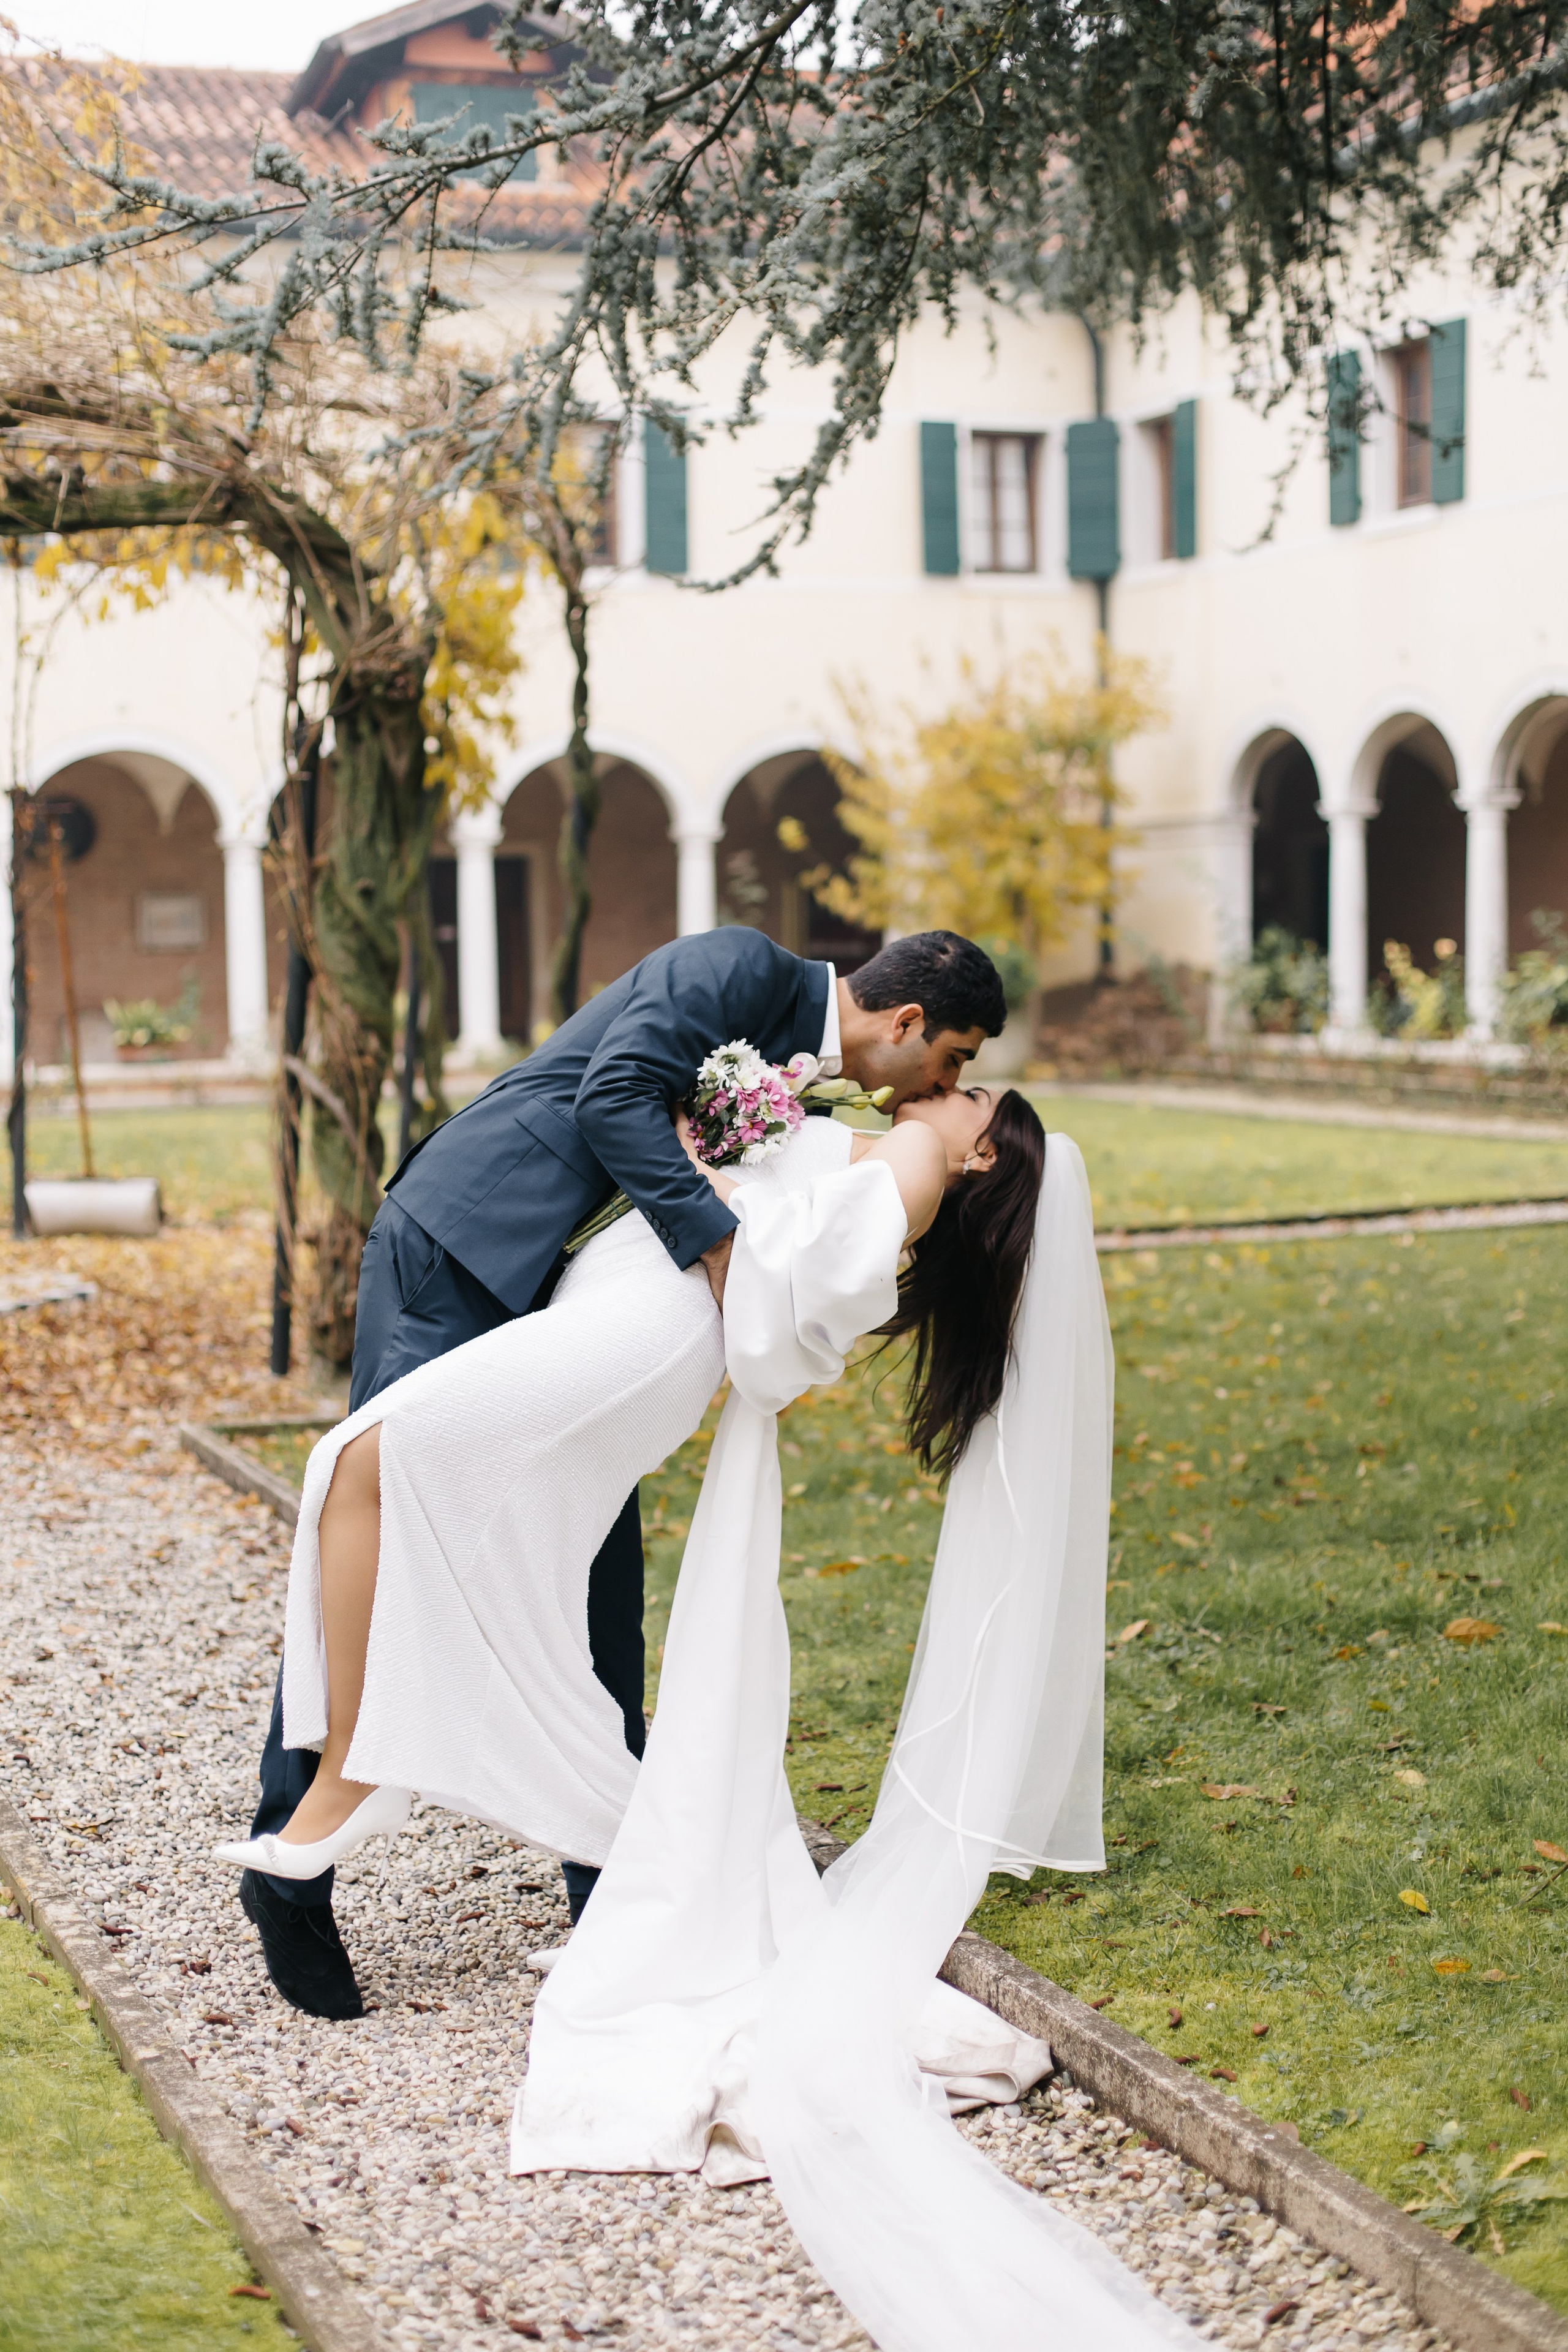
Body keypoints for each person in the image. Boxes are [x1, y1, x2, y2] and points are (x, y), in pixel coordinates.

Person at [218, 1080, 1189, 2351]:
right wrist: (711, 1150)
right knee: (389, 1486)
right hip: (625, 1311)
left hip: (644, 1330)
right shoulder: (885, 1147)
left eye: (969, 1096)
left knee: (364, 1460)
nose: (948, 1087)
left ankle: (345, 1779)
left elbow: (780, 1307)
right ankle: (382, 1770)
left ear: (980, 1154)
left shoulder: (906, 1170)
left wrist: (720, 1202)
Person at [236, 927, 1006, 2019]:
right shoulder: (738, 969)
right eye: (955, 1058)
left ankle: (616, 1892)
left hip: (582, 1313)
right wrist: (724, 1248)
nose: (948, 1082)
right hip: (467, 1246)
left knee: (606, 1591)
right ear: (907, 1023)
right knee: (384, 1517)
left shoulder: (818, 1095)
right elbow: (613, 1100)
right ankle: (294, 1856)